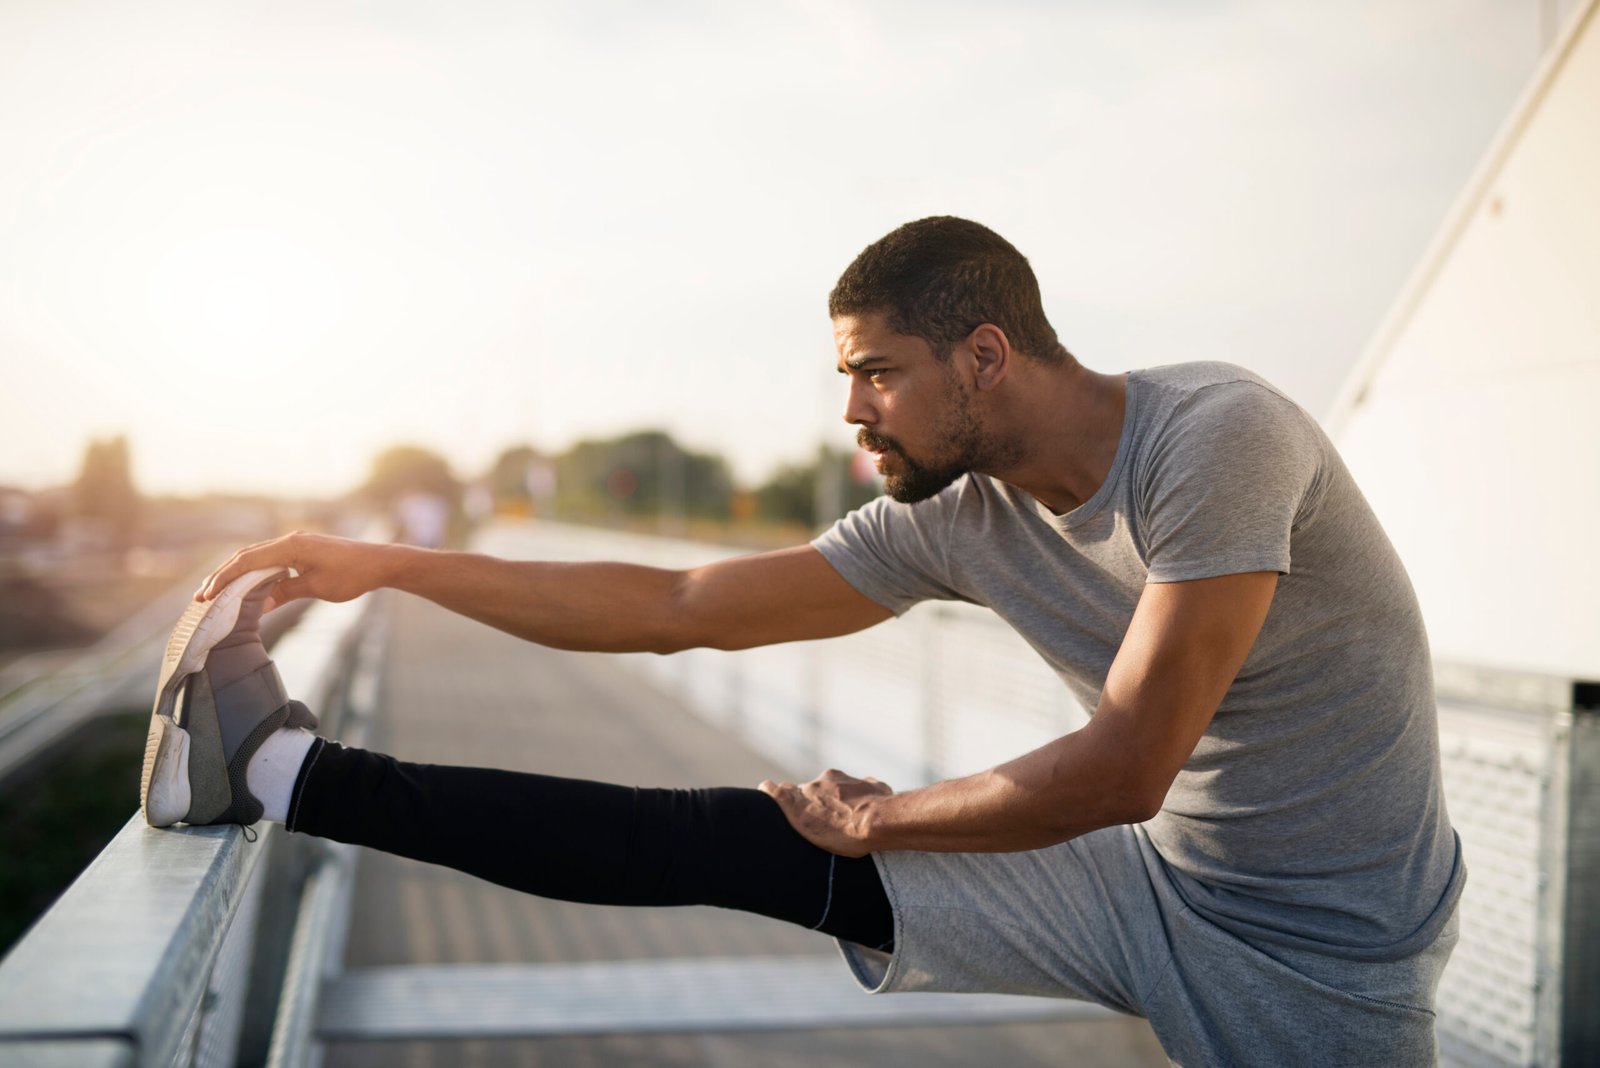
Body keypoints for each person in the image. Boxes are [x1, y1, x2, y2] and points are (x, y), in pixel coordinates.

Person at [146, 217, 1464, 1066]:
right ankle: (276, 774)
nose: (850, 409)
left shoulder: (1218, 439)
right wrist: (390, 568)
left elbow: (1126, 764)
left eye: (876, 372)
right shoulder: (959, 520)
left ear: (986, 358)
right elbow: (678, 612)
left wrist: (884, 820)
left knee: (826, 833)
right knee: (738, 840)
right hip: (1153, 883)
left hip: (1328, 950)